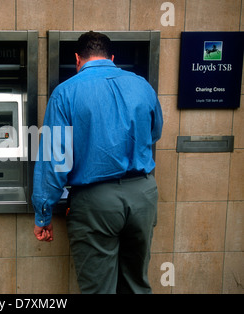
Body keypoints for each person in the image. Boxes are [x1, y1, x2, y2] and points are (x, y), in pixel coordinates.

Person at [31, 31, 163, 294]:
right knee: (137, 284)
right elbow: (155, 132)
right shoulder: (142, 85)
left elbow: (55, 160)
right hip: (143, 195)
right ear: (112, 58)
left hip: (95, 201)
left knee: (98, 289)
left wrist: (43, 213)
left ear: (78, 59)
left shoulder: (65, 93)